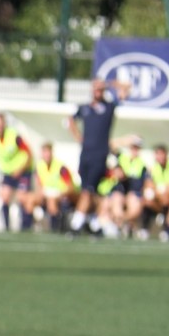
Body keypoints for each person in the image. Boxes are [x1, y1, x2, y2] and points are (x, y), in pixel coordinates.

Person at [66, 78, 131, 235]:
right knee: (89, 191)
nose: (98, 91)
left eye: (100, 89)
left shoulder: (108, 107)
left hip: (99, 155)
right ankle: (94, 224)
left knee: (88, 191)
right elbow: (71, 121)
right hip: (85, 155)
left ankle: (76, 224)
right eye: (95, 88)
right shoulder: (84, 108)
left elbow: (126, 88)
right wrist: (78, 138)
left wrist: (108, 83)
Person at [0, 112, 36, 232]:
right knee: (5, 196)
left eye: (0, 123)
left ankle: (26, 228)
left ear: (4, 123)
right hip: (8, 172)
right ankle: (6, 228)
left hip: (23, 170)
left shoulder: (13, 135)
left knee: (22, 197)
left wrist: (20, 169)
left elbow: (28, 154)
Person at [34, 142, 79, 233]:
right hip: (47, 194)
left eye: (48, 152)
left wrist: (59, 194)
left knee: (52, 201)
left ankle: (56, 228)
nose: (46, 155)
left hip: (63, 194)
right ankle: (26, 227)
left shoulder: (61, 168)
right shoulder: (39, 166)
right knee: (28, 199)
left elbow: (70, 187)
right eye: (44, 152)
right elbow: (39, 185)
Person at [142, 144, 169, 241]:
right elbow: (148, 185)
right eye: (158, 154)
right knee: (147, 199)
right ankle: (145, 229)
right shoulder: (152, 168)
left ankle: (167, 230)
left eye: (162, 154)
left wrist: (162, 192)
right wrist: (158, 193)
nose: (160, 157)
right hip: (158, 198)